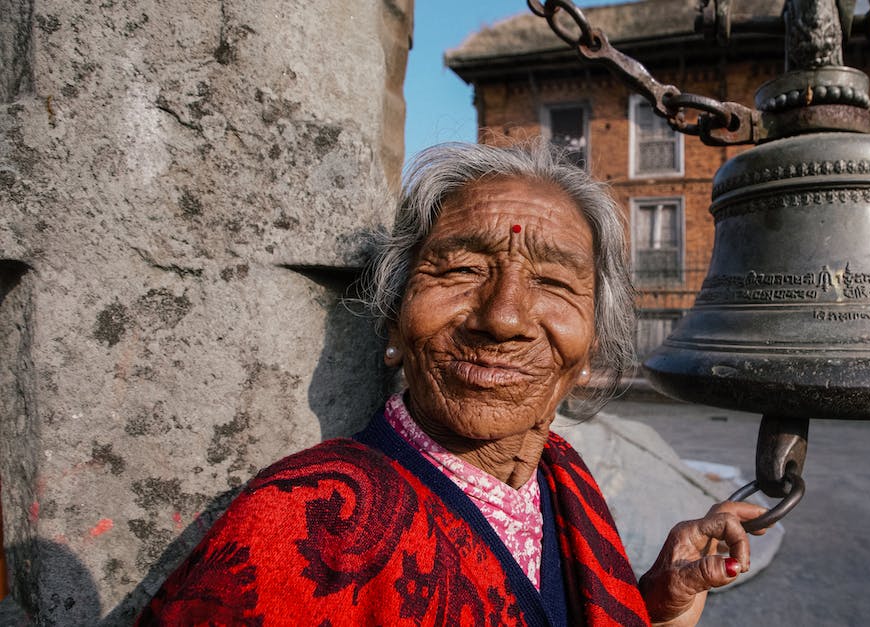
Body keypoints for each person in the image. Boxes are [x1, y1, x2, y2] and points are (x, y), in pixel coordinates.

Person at [138, 141, 766, 626]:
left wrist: (659, 598)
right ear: (394, 318)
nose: (503, 316)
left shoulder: (560, 472)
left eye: (551, 283)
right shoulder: (298, 526)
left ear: (591, 344)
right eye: (461, 269)